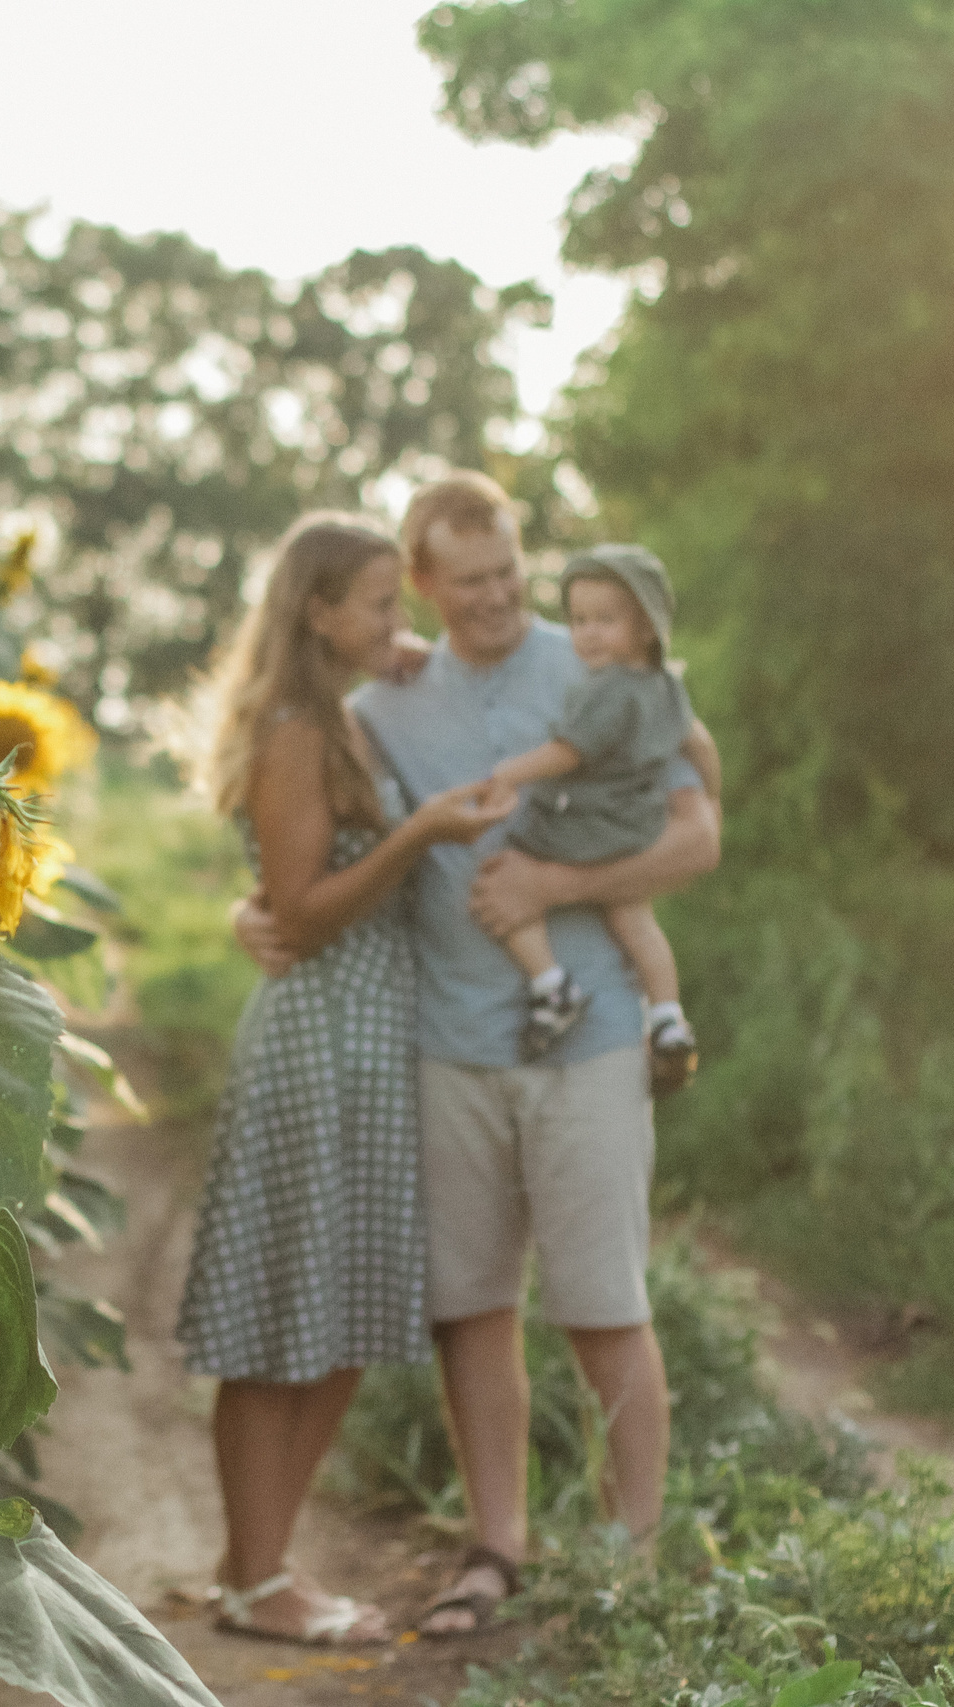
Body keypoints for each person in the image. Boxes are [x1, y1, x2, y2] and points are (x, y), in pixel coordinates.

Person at [233, 472, 721, 1637]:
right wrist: (244, 920)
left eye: (511, 570)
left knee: (603, 1302)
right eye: (473, 579)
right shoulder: (382, 705)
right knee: (472, 1308)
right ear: (422, 582)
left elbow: (699, 832)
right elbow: (304, 854)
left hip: (592, 1032)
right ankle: (495, 1547)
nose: (499, 596)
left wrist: (560, 883)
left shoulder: (602, 667)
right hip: (444, 1045)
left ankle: (630, 1558)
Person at [177, 513, 505, 1646]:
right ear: (317, 611)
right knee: (282, 1324)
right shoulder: (290, 733)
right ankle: (260, 1581)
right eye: (377, 604)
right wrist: (416, 836)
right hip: (319, 1045)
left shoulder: (341, 718)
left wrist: (403, 660)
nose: (396, 622)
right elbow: (302, 918)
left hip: (367, 1051)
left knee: (344, 1318)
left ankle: (250, 1569)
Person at [480, 544, 714, 1087]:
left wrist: (511, 772)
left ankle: (550, 983)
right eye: (579, 620)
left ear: (646, 628)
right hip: (637, 823)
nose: (586, 634)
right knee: (634, 917)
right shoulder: (667, 684)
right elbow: (698, 746)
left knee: (505, 872)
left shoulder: (609, 689)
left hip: (588, 822)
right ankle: (667, 1016)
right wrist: (713, 791)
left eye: (605, 621)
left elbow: (569, 753)